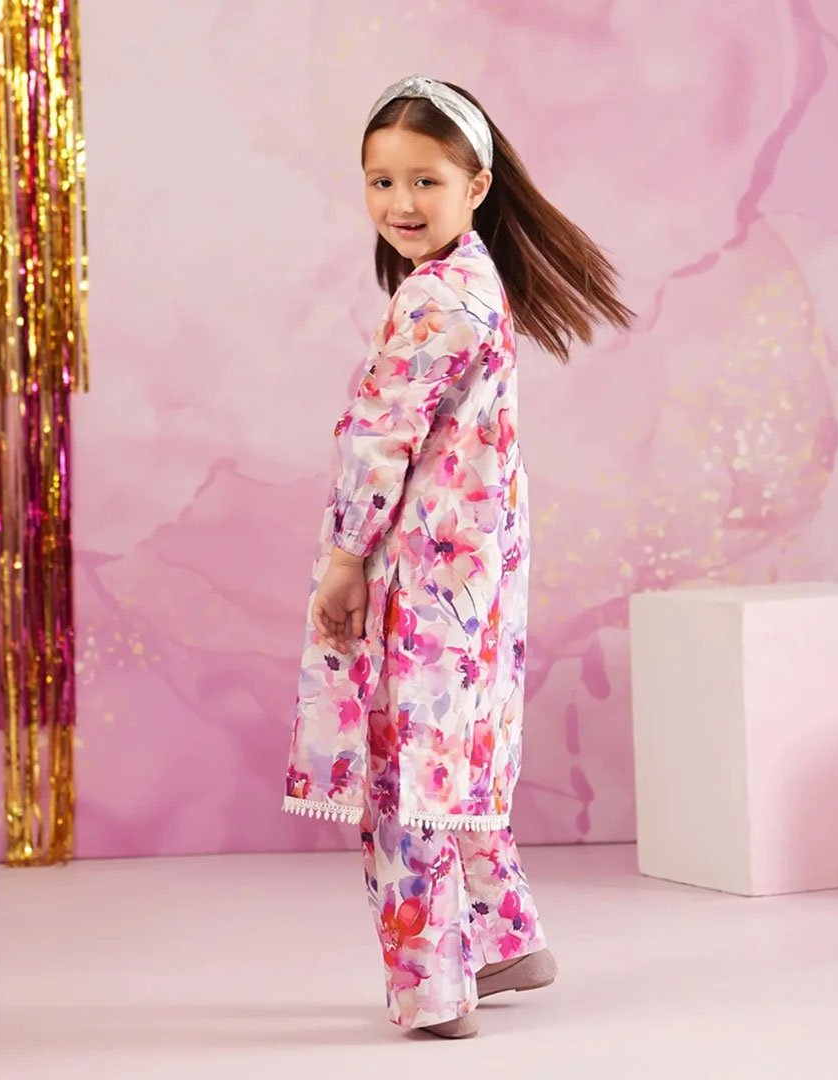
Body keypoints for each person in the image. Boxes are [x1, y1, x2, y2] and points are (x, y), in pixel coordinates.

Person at [283, 74, 633, 1039]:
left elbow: (378, 441)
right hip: (475, 576)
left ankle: (435, 989)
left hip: (425, 576)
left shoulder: (437, 301)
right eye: (381, 181)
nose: (400, 203)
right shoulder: (474, 280)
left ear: (476, 186)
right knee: (453, 758)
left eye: (425, 181)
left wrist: (345, 561)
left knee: (408, 774)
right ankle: (507, 936)